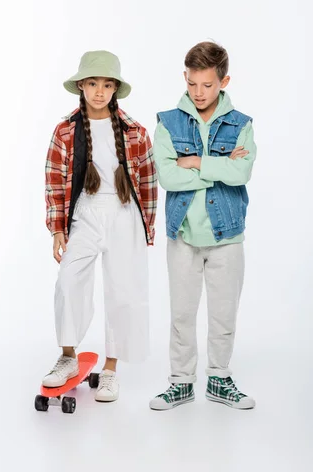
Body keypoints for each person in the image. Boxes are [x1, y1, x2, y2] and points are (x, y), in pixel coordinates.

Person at [43, 50, 157, 402]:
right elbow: (55, 182)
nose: (99, 91)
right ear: (81, 85)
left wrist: (146, 227)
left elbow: (150, 182)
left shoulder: (135, 131)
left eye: (107, 85)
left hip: (124, 214)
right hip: (86, 213)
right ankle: (68, 357)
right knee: (69, 281)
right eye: (92, 83)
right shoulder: (65, 131)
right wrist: (58, 228)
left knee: (124, 291)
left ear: (115, 89)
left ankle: (110, 369)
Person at [149, 41, 257, 410]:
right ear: (185, 77)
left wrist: (193, 162)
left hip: (227, 235)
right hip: (182, 234)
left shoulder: (241, 124)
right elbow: (166, 176)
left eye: (207, 85)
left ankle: (219, 379)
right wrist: (217, 168)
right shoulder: (168, 121)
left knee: (223, 314)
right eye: (193, 84)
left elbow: (242, 172)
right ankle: (181, 382)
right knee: (181, 313)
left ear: (223, 81)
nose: (199, 92)